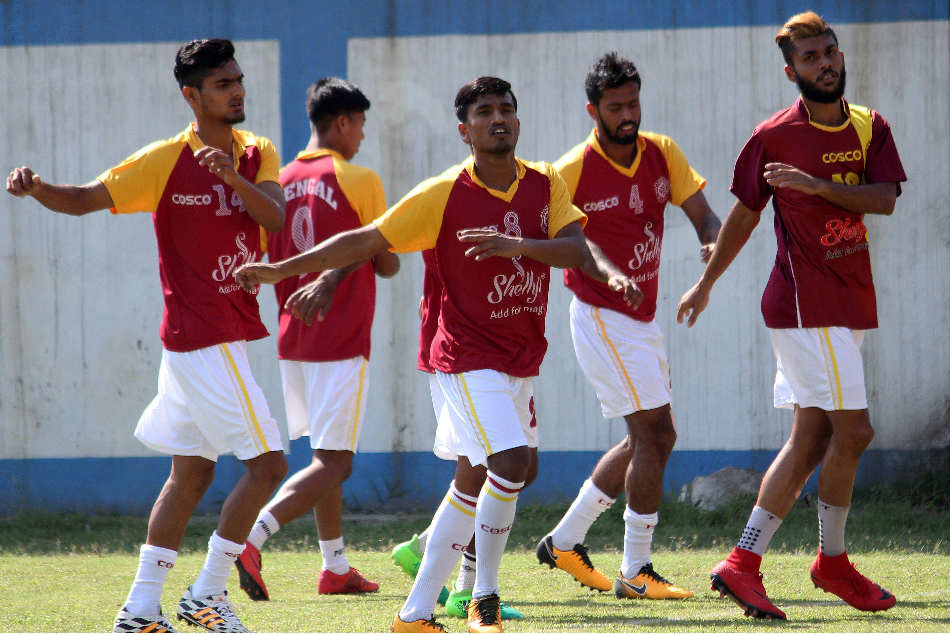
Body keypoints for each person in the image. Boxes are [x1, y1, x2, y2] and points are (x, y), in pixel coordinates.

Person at [235, 76, 637, 634]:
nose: (498, 118)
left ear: (517, 122)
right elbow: (369, 239)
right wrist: (283, 270)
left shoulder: (545, 183)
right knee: (511, 462)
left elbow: (574, 248)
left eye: (506, 109)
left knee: (478, 477)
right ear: (464, 130)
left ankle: (414, 613)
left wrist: (518, 246)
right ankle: (483, 598)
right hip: (464, 356)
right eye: (483, 111)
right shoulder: (445, 192)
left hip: (519, 356)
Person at [5, 39, 289, 633]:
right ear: (192, 96)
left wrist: (233, 179)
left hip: (213, 340)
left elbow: (274, 216)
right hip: (204, 338)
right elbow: (85, 199)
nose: (237, 90)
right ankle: (208, 595)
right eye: (222, 84)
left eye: (238, 79)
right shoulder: (164, 160)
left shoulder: (257, 150)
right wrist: (38, 189)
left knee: (192, 476)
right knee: (267, 466)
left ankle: (138, 609)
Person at [676, 11, 906, 621]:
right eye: (811, 58)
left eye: (829, 51)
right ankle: (831, 563)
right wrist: (704, 283)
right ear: (791, 71)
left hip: (851, 299)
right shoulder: (772, 136)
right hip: (805, 306)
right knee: (854, 432)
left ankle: (742, 563)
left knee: (811, 438)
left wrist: (815, 184)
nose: (825, 62)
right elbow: (745, 216)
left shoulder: (869, 127)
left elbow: (883, 198)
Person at [535, 52, 721, 602]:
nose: (628, 114)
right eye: (615, 106)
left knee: (643, 438)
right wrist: (610, 274)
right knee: (657, 436)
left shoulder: (662, 153)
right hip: (600, 315)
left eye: (633, 103)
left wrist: (710, 242)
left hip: (641, 318)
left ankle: (564, 541)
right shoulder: (572, 169)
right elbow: (567, 241)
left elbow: (704, 214)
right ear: (592, 110)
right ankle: (636, 569)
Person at [233, 77, 399, 602]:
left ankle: (335, 567)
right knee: (337, 461)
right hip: (342, 335)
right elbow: (387, 260)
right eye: (362, 126)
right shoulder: (360, 178)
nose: (363, 137)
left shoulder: (277, 181)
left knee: (325, 455)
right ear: (344, 122)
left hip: (292, 337)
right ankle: (251, 537)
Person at [389, 254, 528, 623]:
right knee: (496, 465)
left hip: (512, 351)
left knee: (507, 468)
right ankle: (472, 593)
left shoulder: (536, 198)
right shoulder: (449, 198)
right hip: (464, 350)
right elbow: (382, 241)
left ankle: (422, 597)